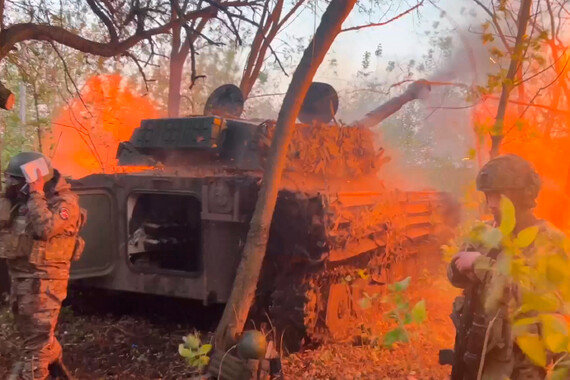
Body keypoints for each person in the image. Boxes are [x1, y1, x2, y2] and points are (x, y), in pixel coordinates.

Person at [447, 154, 564, 379]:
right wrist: (459, 267)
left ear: (522, 196)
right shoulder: (484, 233)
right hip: (474, 355)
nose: (491, 204)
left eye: (498, 196)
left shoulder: (549, 242)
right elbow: (454, 272)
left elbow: (543, 299)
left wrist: (481, 266)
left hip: (519, 368)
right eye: (488, 196)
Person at [0, 152, 85, 379]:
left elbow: (44, 229)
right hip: (21, 280)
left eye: (15, 180)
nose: (9, 184)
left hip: (45, 283)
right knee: (36, 339)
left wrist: (36, 193)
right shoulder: (18, 200)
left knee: (35, 349)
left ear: (35, 181)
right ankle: (55, 362)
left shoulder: (64, 203)